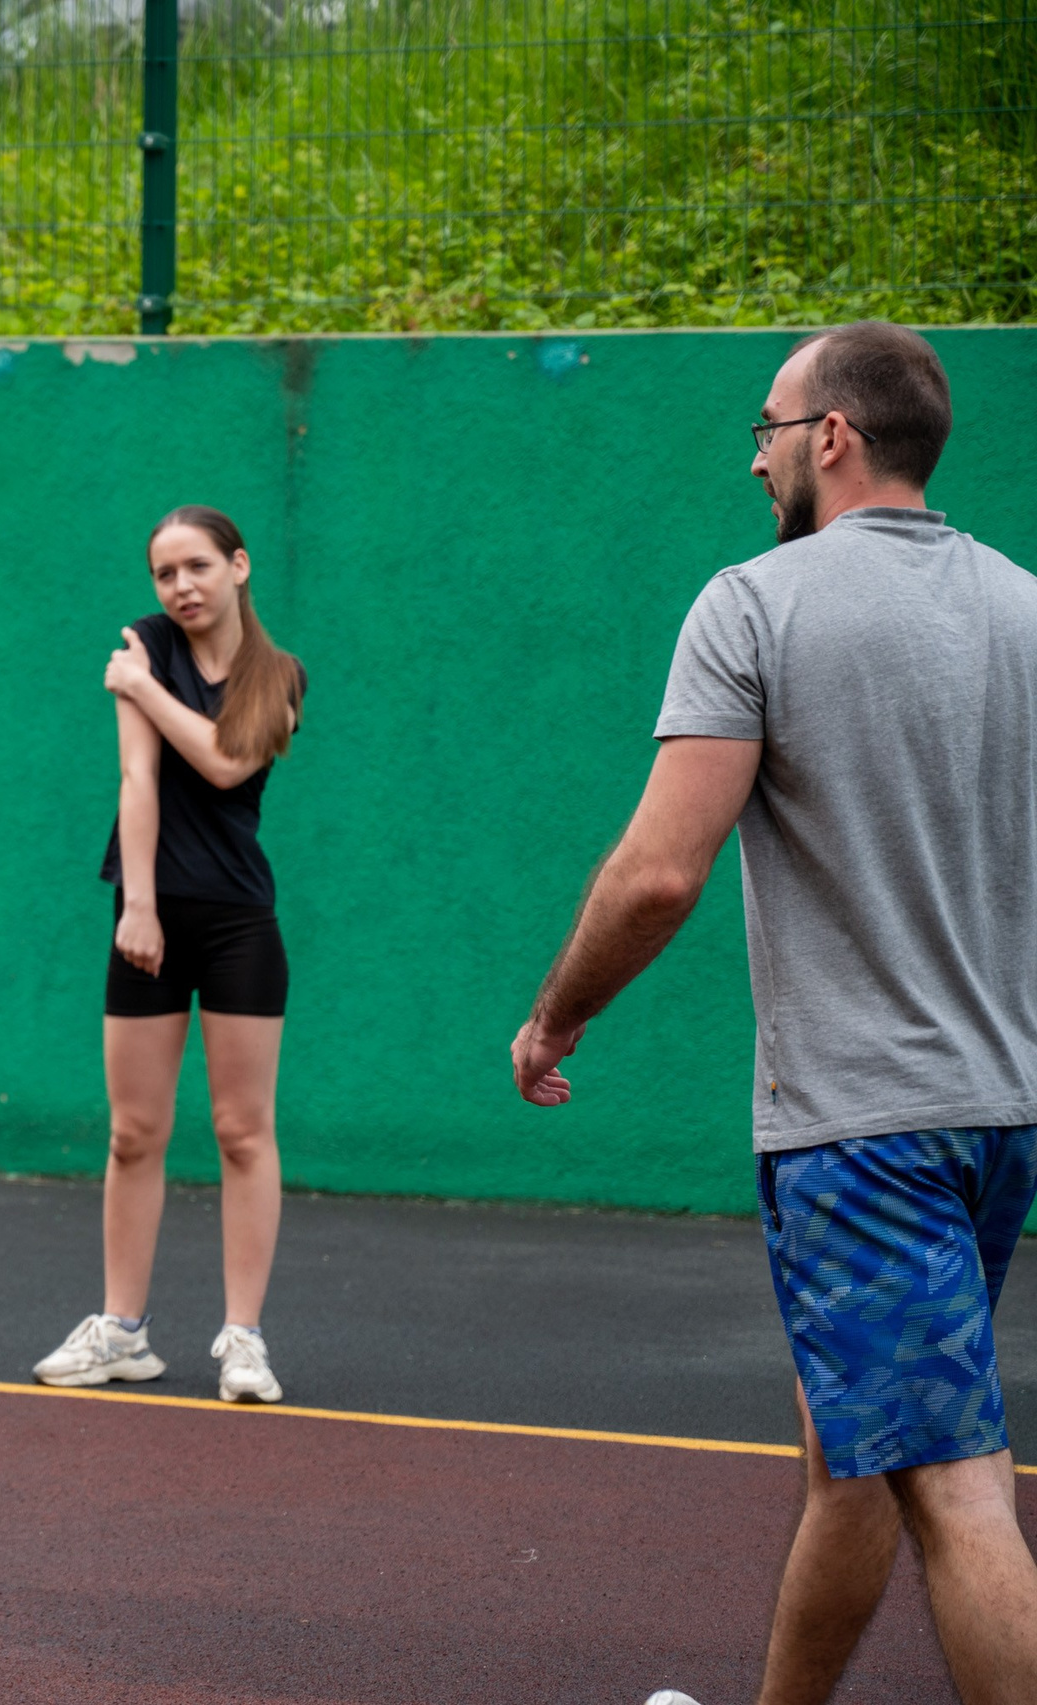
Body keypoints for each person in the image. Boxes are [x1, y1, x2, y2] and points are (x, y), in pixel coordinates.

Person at [510, 322, 1037, 1705]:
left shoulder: (754, 603)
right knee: (854, 1456)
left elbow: (658, 871)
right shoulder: (1027, 609)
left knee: (956, 1488)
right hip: (997, 1115)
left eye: (768, 424)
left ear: (836, 436)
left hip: (865, 1135)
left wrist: (557, 1019)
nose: (755, 455)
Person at [34, 505, 305, 1402]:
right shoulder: (148, 640)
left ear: (239, 566)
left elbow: (227, 764)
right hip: (147, 922)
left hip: (239, 925)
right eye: (164, 572)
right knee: (133, 1130)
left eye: (196, 566)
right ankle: (121, 1330)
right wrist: (138, 906)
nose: (180, 586)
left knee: (241, 1130)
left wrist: (140, 687)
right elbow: (138, 778)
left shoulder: (281, 676)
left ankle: (242, 1341)